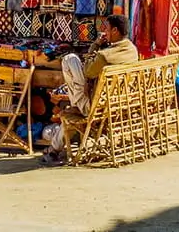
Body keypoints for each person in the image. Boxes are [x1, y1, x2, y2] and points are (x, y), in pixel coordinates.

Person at [42, 14, 139, 165]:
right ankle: (54, 149)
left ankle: (54, 148)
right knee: (75, 103)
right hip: (119, 104)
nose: (104, 32)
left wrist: (96, 44)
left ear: (114, 30)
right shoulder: (133, 50)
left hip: (97, 108)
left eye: (106, 29)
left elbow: (88, 71)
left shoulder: (104, 56)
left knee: (70, 60)